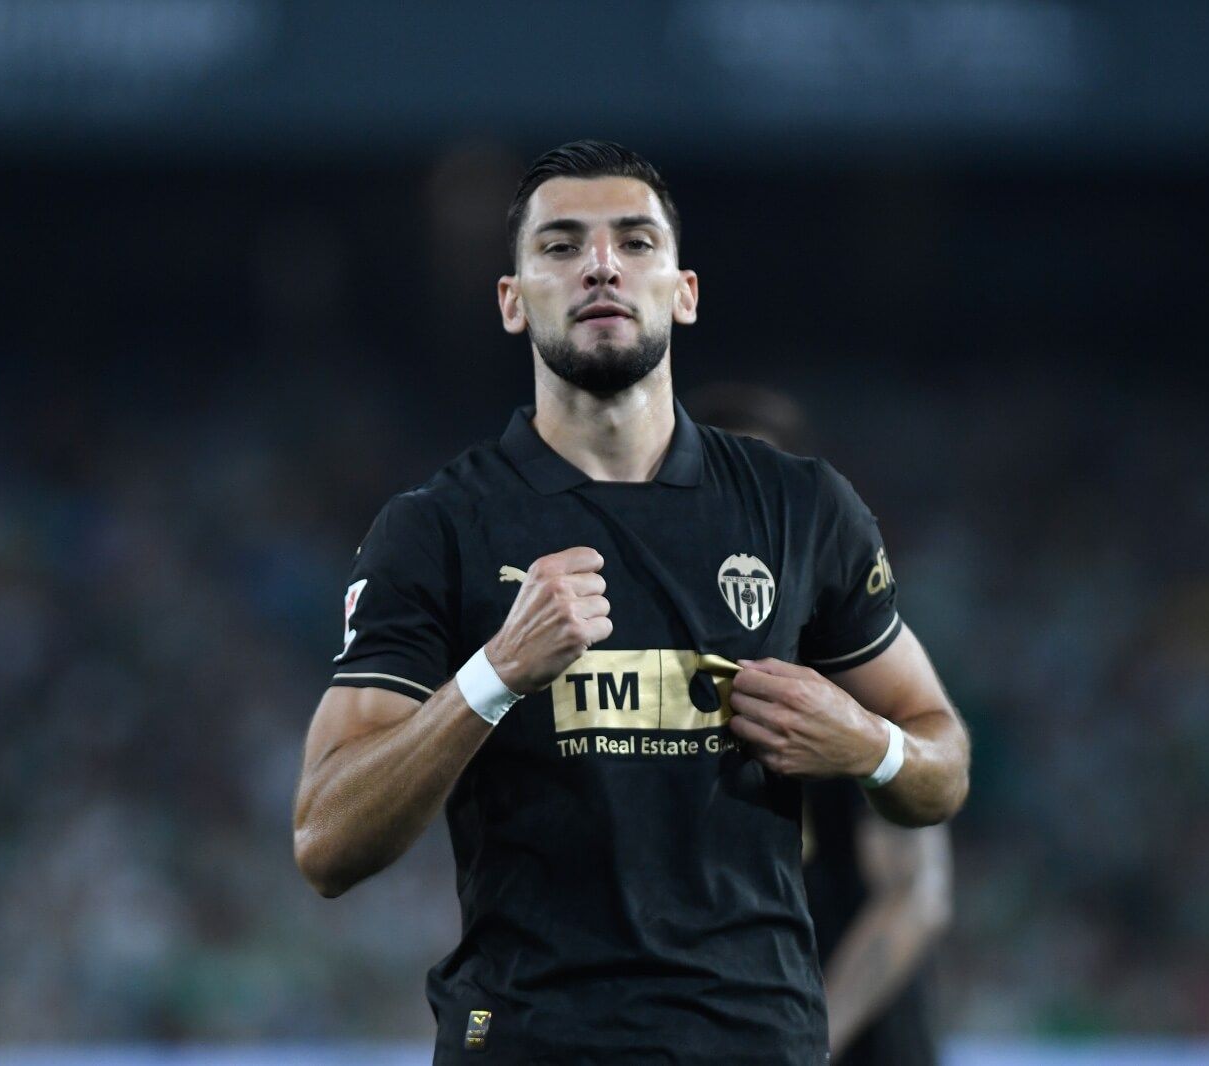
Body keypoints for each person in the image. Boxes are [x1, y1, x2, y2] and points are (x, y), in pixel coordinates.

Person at [293, 140, 970, 1064]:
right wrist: (492, 677)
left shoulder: (801, 507)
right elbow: (326, 842)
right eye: (562, 246)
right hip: (530, 1040)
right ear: (511, 300)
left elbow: (942, 764)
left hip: (754, 1041)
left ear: (683, 291)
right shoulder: (437, 529)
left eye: (634, 241)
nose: (601, 264)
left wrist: (867, 743)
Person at [687, 383, 953, 1066]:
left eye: (770, 484)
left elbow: (914, 898)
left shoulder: (859, 669)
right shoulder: (643, 677)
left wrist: (807, 1045)